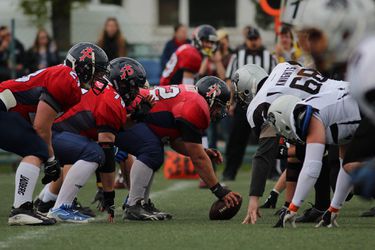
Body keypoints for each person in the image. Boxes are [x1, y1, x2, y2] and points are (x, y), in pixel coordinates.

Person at [1, 42, 108, 226]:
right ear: (84, 66)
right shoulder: (67, 77)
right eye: (97, 71)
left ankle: (24, 208)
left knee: (37, 147)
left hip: (6, 110)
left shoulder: (67, 79)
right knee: (36, 149)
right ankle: (21, 209)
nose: (98, 77)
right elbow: (41, 127)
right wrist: (50, 158)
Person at [233, 62, 348, 225]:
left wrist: (253, 198)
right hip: (343, 91)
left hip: (337, 110)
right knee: (307, 149)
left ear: (247, 88)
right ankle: (322, 206)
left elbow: (264, 154)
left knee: (350, 172)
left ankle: (327, 202)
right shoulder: (282, 66)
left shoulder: (260, 103)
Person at [116, 77, 242, 220]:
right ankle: (134, 205)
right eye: (219, 107)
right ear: (210, 98)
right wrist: (220, 191)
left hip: (132, 114)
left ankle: (140, 203)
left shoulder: (190, 98)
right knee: (151, 149)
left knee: (153, 150)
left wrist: (203, 151)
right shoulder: (196, 105)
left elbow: (175, 140)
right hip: (125, 115)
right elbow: (198, 159)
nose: (219, 112)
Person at [40, 57, 139, 223]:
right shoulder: (112, 100)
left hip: (58, 132)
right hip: (54, 135)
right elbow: (106, 150)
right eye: (134, 86)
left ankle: (45, 201)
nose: (135, 92)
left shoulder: (109, 94)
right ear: (123, 83)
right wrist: (109, 195)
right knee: (95, 153)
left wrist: (135, 118)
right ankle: (61, 206)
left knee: (92, 151)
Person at [268, 89, 361, 228]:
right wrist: (333, 209)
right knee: (350, 166)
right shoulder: (335, 115)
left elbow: (312, 167)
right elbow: (345, 166)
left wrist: (293, 208)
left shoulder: (310, 114)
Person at [222, 27, 277, 181]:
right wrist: (231, 102)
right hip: (242, 104)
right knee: (236, 140)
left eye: (255, 39)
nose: (253, 42)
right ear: (246, 41)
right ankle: (229, 171)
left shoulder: (270, 57)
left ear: (259, 39)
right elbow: (230, 80)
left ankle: (272, 172)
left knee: (269, 138)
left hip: (264, 104)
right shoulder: (237, 56)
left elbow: (275, 80)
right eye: (250, 39)